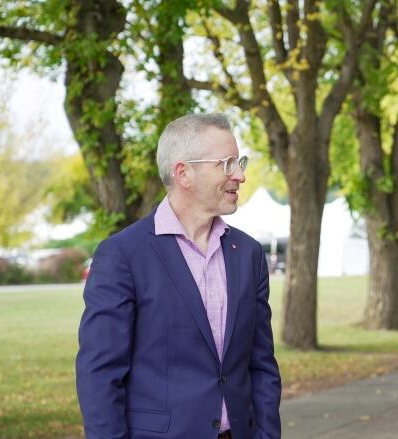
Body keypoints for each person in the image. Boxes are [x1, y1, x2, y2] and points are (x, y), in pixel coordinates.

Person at [76, 113, 281, 439]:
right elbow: (99, 375)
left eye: (239, 162)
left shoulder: (249, 253)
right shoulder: (123, 256)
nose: (240, 175)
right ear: (184, 173)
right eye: (226, 164)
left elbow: (262, 366)